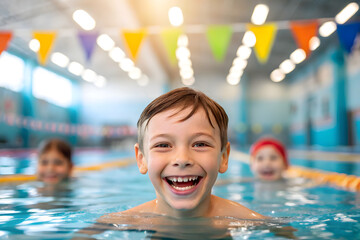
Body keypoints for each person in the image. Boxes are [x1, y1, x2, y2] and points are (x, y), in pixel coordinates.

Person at [99, 87, 265, 223]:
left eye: (200, 144)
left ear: (223, 157)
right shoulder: (119, 222)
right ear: (141, 159)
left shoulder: (248, 221)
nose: (182, 159)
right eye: (163, 145)